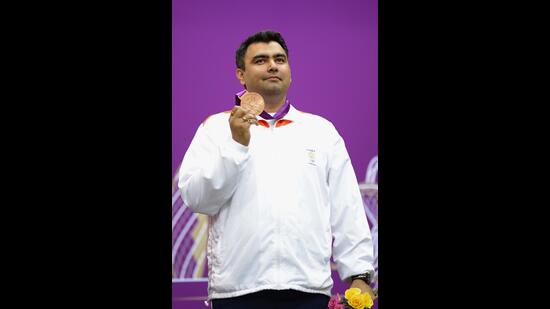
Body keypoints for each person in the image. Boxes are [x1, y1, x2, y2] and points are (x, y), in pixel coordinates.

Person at [177, 30, 375, 309]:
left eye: (279, 59)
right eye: (260, 60)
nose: (272, 65)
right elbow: (198, 199)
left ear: (290, 73)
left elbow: (347, 207)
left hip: (308, 289)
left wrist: (360, 273)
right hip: (236, 291)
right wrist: (236, 146)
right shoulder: (215, 129)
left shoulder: (321, 131)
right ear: (240, 75)